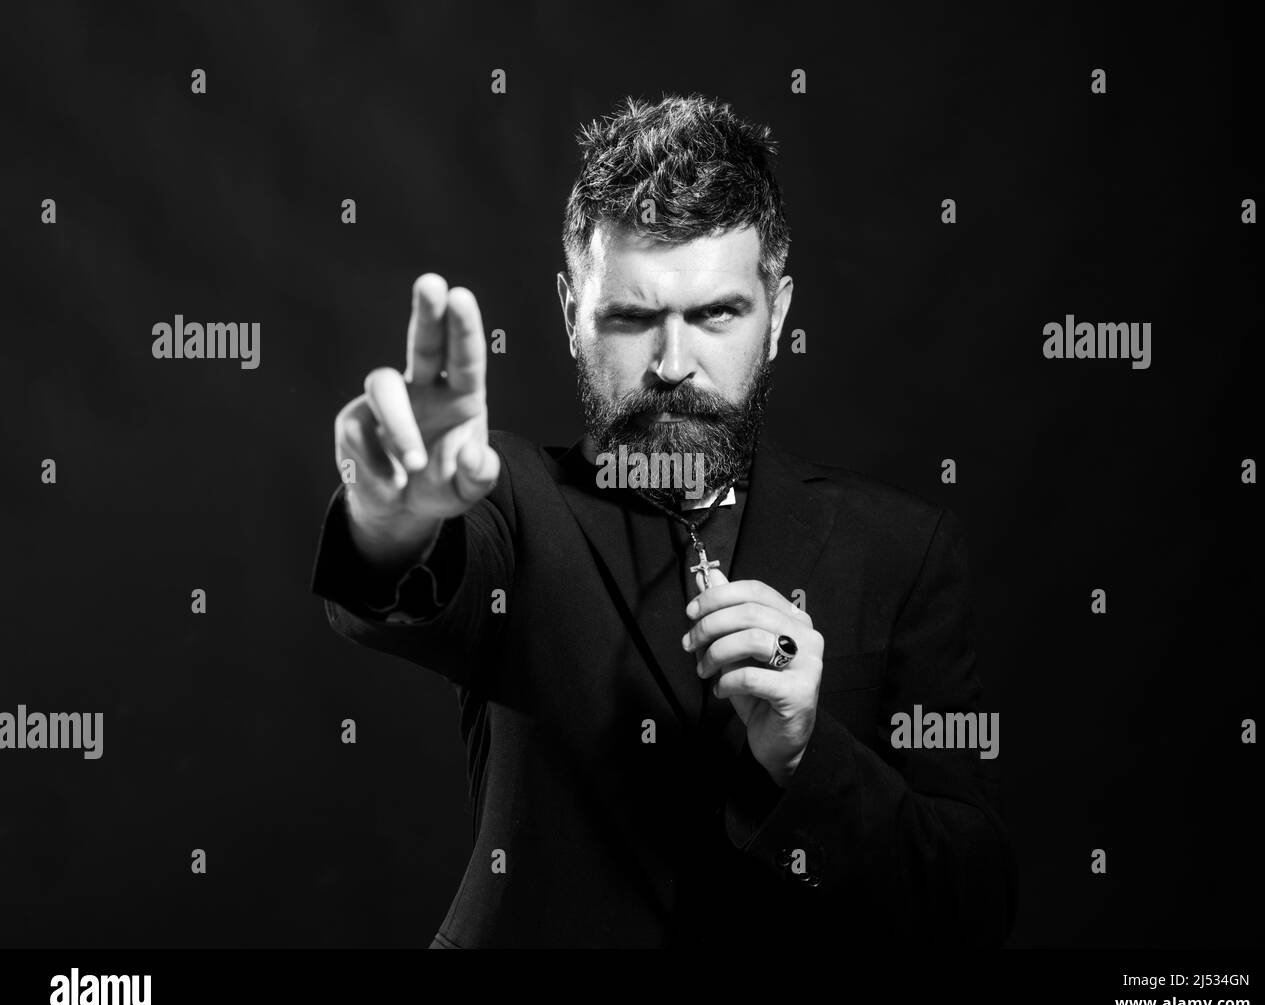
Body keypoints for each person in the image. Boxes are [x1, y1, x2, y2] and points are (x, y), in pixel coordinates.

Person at [310, 93, 1016, 948]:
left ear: (779, 311)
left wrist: (802, 756)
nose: (675, 365)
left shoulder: (903, 551)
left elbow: (968, 903)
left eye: (717, 313)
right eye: (633, 317)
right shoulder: (510, 502)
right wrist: (393, 522)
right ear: (573, 315)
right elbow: (408, 583)